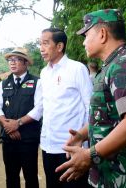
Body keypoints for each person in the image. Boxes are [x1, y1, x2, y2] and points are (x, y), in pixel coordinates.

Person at [55, 9, 126, 188]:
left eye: (86, 35)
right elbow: (109, 115)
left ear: (103, 34)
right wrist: (82, 134)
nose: (83, 42)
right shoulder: (110, 66)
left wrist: (90, 155)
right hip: (112, 176)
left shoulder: (124, 65)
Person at [38, 28, 93, 188]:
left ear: (60, 46)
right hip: (48, 146)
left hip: (71, 148)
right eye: (40, 44)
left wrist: (85, 141)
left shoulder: (77, 69)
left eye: (45, 43)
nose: (41, 48)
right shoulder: (44, 73)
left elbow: (91, 107)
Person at [0, 47, 43, 188]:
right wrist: (8, 125)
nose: (12, 63)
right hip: (9, 138)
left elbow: (39, 109)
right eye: (10, 60)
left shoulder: (37, 82)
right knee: (11, 176)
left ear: (26, 63)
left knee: (31, 176)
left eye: (17, 59)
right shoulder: (4, 84)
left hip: (28, 139)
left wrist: (18, 123)